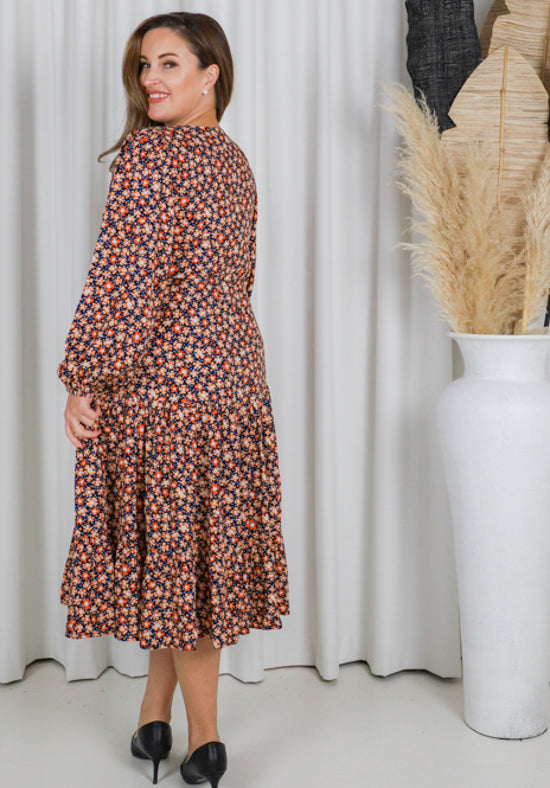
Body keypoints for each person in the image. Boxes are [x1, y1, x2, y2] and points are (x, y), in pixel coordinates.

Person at [57, 12, 290, 787]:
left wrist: (86, 377)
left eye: (168, 63)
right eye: (143, 66)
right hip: (233, 381)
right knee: (183, 560)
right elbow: (235, 282)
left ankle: (207, 740)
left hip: (164, 391)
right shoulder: (234, 161)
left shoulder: (151, 159)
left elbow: (128, 286)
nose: (151, 79)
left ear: (210, 71)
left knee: (176, 561)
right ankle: (153, 720)